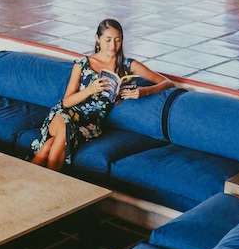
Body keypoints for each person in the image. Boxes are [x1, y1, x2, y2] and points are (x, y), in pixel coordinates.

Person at [30, 18, 174, 172]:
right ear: (98, 39)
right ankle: (51, 184)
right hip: (65, 113)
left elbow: (168, 82)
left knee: (48, 147)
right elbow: (66, 102)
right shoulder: (83, 63)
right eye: (108, 40)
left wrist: (145, 91)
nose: (113, 45)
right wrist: (90, 90)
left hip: (91, 124)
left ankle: (29, 182)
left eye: (117, 40)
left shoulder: (127, 65)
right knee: (64, 135)